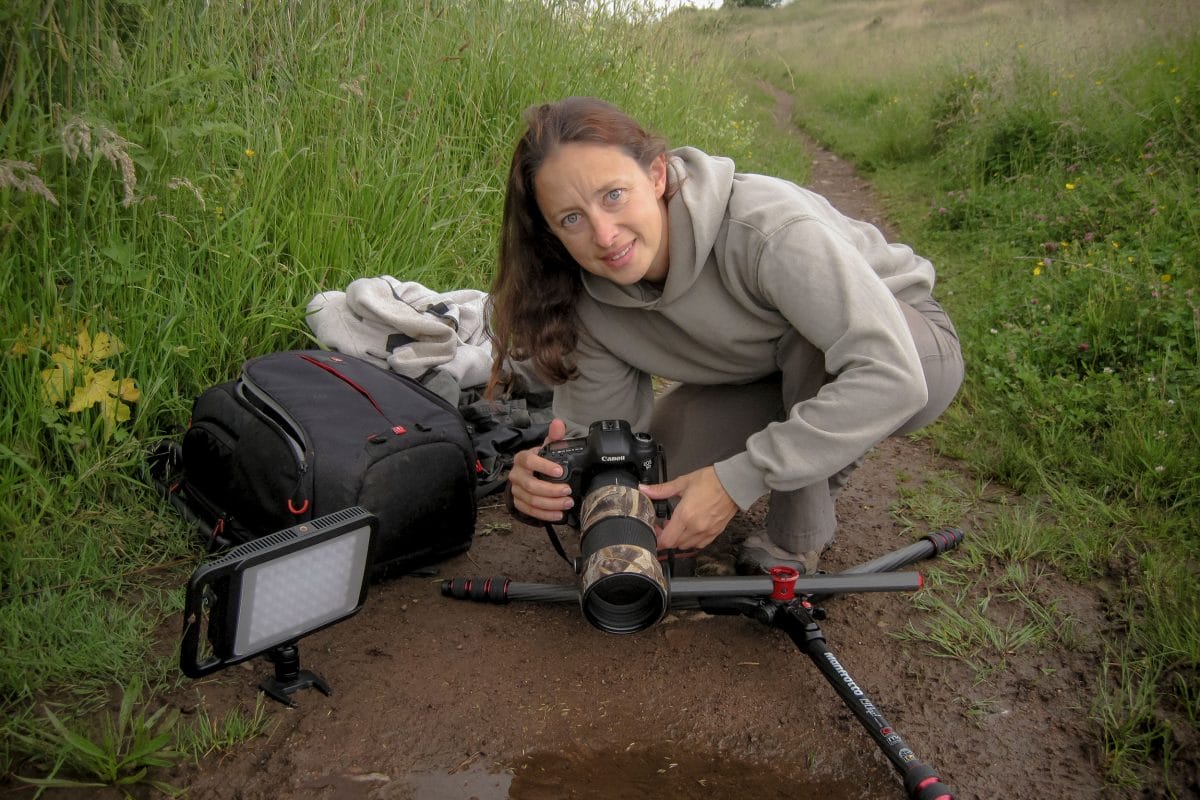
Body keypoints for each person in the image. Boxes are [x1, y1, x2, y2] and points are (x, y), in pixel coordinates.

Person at [485, 96, 963, 576]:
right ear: (551, 231)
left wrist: (736, 480)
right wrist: (542, 487)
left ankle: (795, 538)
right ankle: (809, 443)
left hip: (906, 347)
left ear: (656, 175)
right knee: (653, 496)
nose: (605, 235)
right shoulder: (582, 297)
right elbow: (603, 439)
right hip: (761, 374)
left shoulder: (766, 228)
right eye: (572, 218)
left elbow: (893, 376)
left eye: (613, 195)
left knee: (810, 344)